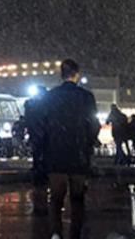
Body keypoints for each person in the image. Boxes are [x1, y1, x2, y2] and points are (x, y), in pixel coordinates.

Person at [40, 59, 100, 239]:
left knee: (56, 199)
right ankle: (75, 232)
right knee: (77, 198)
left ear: (61, 74)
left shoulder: (50, 96)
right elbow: (94, 124)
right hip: (78, 154)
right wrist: (88, 142)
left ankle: (56, 232)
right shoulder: (86, 97)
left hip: (56, 154)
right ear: (77, 75)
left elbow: (42, 125)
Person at [23, 86, 49, 216]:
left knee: (37, 158)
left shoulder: (30, 104)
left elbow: (28, 120)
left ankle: (38, 184)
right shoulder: (48, 103)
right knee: (44, 160)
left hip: (36, 136)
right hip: (46, 137)